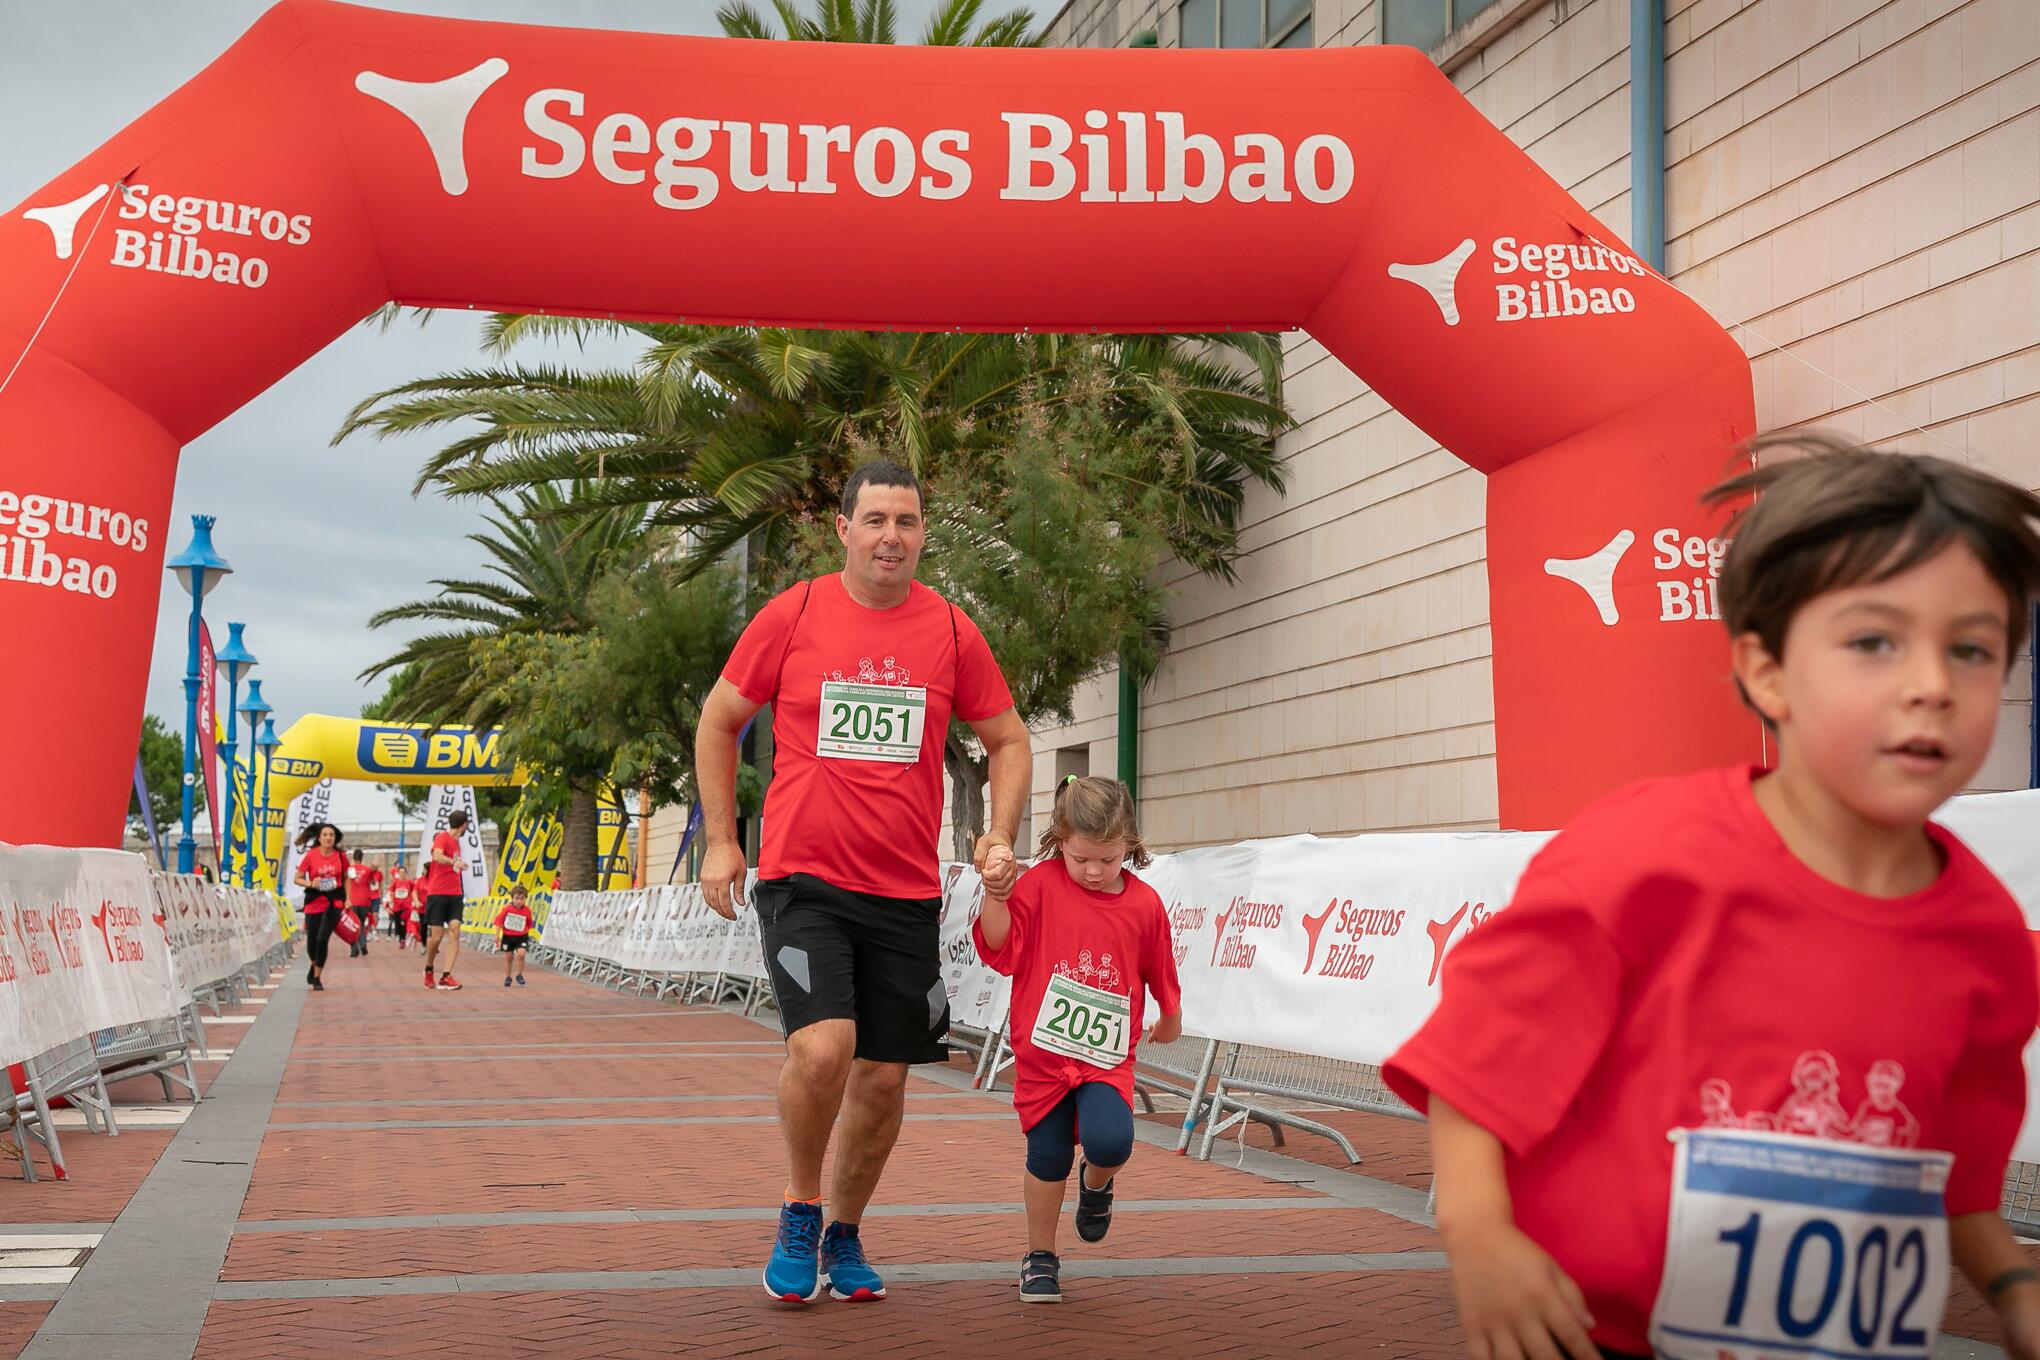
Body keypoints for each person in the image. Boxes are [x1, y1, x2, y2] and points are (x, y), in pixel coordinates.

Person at [1383, 434, 2040, 1360]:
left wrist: (2015, 1288)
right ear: (1766, 671)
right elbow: (1475, 1073)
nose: (1932, 686)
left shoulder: (1989, 940)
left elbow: (1959, 1182)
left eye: (1972, 649)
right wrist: (1480, 1235)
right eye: (1874, 642)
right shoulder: (1640, 859)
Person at [695, 459, 1031, 1305]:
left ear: (924, 533)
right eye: (876, 519)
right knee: (823, 1046)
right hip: (805, 880)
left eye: (907, 521)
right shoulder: (795, 613)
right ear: (842, 529)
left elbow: (1011, 739)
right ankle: (800, 1207)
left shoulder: (952, 631)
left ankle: (844, 1230)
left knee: (884, 1077)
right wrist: (723, 842)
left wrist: (998, 833)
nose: (892, 536)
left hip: (905, 893)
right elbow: (720, 719)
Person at [972, 775, 1182, 1304]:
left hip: (1107, 1058)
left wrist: (1171, 1015)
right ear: (1059, 841)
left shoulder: (1145, 904)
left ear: (1129, 846)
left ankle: (1097, 1182)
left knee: (1111, 1141)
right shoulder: (1039, 885)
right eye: (1081, 858)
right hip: (1043, 1058)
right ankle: (1040, 1256)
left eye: (1108, 861)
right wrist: (997, 895)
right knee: (1046, 1156)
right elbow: (1001, 948)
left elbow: (1160, 965)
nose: (1093, 871)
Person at [291, 822, 347, 992]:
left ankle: (317, 978)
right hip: (314, 899)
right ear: (319, 838)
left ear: (335, 838)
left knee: (323, 938)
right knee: (312, 941)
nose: (328, 838)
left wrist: (349, 899)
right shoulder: (311, 855)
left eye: (331, 835)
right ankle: (314, 964)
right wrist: (310, 883)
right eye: (325, 835)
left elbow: (348, 877)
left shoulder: (341, 856)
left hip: (334, 900)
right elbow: (297, 878)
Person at [421, 812, 468, 991]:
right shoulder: (442, 837)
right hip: (437, 893)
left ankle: (446, 976)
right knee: (437, 936)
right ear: (464, 825)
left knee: (455, 930)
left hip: (455, 893)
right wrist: (453, 862)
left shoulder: (457, 844)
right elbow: (437, 856)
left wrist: (459, 864)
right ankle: (429, 968)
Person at [495, 885, 535, 987]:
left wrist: (530, 934)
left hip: (522, 936)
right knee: (509, 958)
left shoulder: (527, 911)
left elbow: (529, 924)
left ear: (525, 899)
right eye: (517, 898)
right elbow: (499, 922)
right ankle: (508, 977)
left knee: (521, 954)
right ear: (512, 898)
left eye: (522, 899)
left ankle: (519, 975)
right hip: (508, 936)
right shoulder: (506, 909)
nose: (519, 901)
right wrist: (497, 936)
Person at [344, 849, 375, 958]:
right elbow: (373, 882)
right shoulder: (367, 870)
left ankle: (354, 949)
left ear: (353, 857)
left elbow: (349, 882)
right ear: (362, 858)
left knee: (353, 926)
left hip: (353, 900)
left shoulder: (350, 870)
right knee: (361, 924)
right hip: (364, 901)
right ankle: (363, 945)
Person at [387, 862, 415, 946]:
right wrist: (390, 901)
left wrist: (413, 901)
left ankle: (403, 938)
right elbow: (391, 891)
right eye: (400, 872)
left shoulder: (409, 882)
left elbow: (414, 891)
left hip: (406, 907)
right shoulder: (395, 882)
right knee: (397, 923)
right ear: (398, 874)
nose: (402, 874)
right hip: (397, 907)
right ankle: (400, 936)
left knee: (403, 922)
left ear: (406, 873)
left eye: (403, 872)